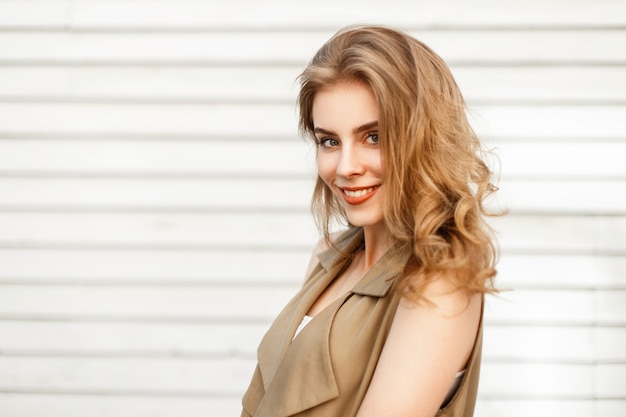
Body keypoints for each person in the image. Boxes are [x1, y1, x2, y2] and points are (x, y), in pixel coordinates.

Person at [241, 24, 499, 417]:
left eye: (374, 137)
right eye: (330, 141)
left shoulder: (439, 277)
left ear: (423, 138)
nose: (345, 167)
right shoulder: (329, 255)